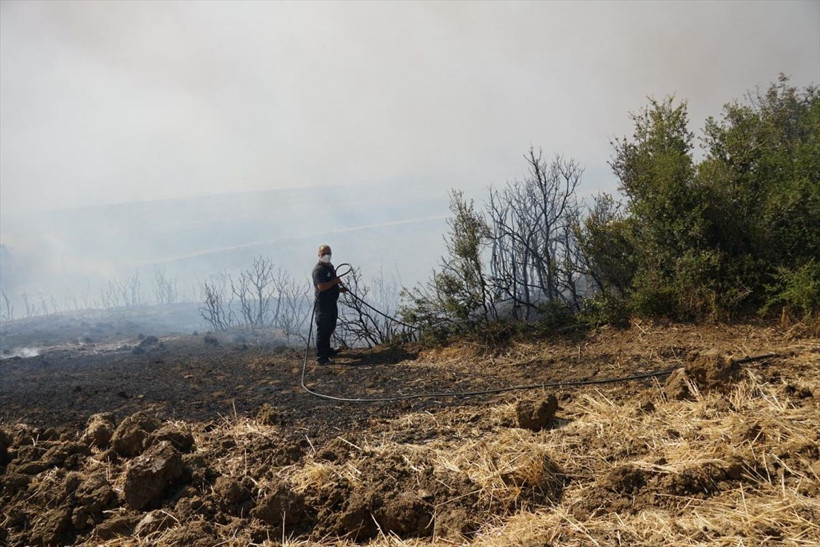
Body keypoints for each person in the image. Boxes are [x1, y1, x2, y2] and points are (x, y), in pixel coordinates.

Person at [312, 244, 346, 364]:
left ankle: (327, 350)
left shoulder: (330, 267)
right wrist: (334, 281)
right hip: (323, 305)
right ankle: (321, 358)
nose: (326, 256)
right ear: (319, 255)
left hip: (332, 303)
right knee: (323, 330)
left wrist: (340, 289)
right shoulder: (318, 270)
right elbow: (321, 287)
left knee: (330, 327)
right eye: (323, 253)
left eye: (328, 253)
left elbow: (331, 285)